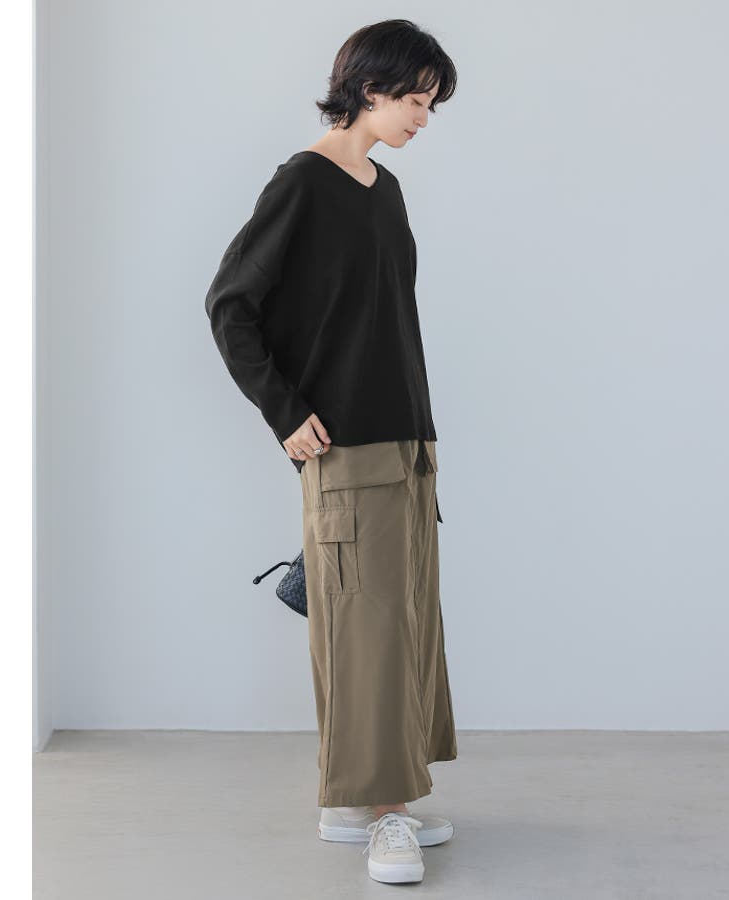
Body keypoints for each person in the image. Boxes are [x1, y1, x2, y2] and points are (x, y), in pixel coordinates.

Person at [204, 19, 458, 885]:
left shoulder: (384, 189)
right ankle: (373, 814)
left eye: (431, 103)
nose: (422, 116)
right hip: (345, 448)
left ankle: (375, 804)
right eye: (414, 98)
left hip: (406, 444)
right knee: (364, 633)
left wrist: (420, 433)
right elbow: (230, 304)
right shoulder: (304, 183)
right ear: (369, 88)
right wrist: (284, 412)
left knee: (404, 628)